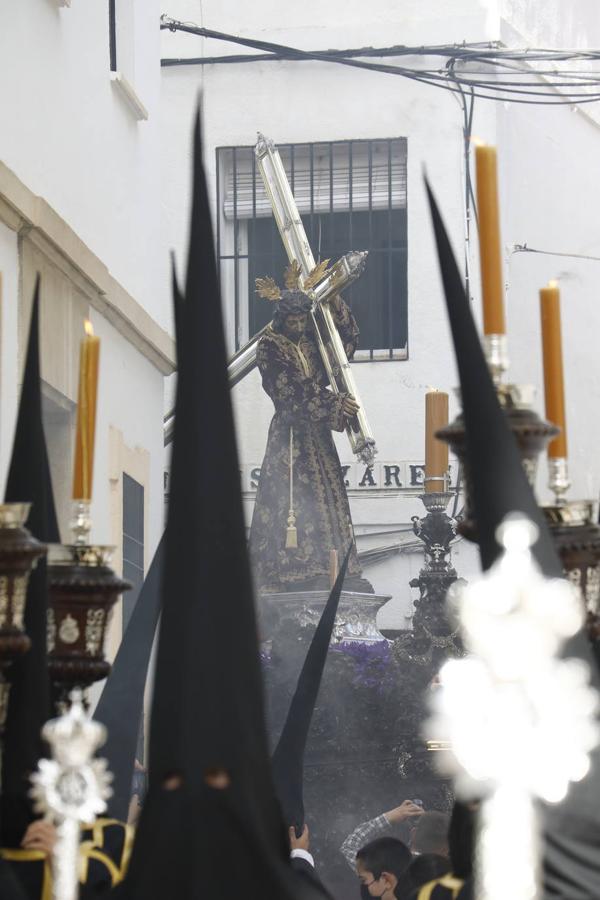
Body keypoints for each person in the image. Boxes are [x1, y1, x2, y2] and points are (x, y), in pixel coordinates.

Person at [248, 285, 372, 593]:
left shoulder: (310, 341)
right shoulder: (269, 346)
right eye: (293, 321)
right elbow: (288, 389)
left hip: (318, 437)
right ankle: (297, 571)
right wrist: (333, 404)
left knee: (330, 500)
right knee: (293, 500)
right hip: (289, 438)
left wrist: (334, 298)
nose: (299, 326)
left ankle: (335, 568)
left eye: (303, 320)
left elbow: (342, 347)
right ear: (282, 318)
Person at [340, 800, 425, 868]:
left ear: (414, 833)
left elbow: (349, 847)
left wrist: (389, 817)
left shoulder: (393, 869)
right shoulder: (435, 872)